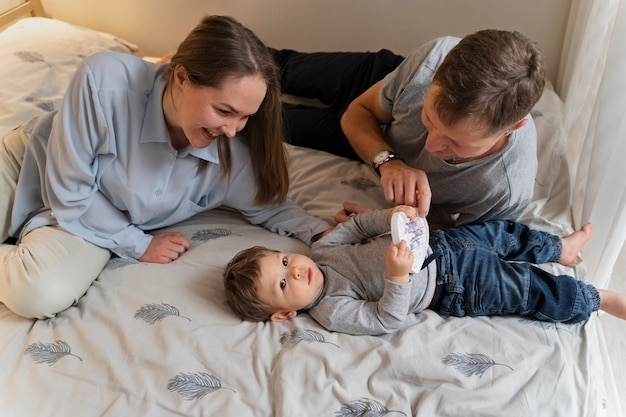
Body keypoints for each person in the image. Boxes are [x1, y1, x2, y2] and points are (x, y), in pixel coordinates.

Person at [0, 15, 331, 319]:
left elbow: (268, 207)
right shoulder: (104, 80)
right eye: (225, 111)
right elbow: (70, 189)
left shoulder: (233, 150)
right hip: (28, 164)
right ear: (182, 77)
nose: (232, 129)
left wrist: (322, 232)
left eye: (246, 116)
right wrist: (139, 243)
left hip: (96, 221)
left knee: (39, 294)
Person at [272, 29, 546, 228]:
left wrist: (383, 224)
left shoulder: (506, 189)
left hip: (364, 146)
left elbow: (462, 239)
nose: (430, 146)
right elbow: (358, 111)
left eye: (455, 143)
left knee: (269, 120)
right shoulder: (431, 62)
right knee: (276, 67)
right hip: (377, 96)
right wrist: (389, 162)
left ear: (512, 128)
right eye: (428, 118)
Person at [224, 205, 626, 336]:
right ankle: (598, 299)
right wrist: (397, 277)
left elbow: (360, 226)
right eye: (281, 283)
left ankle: (560, 247)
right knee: (525, 288)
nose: (294, 271)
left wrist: (391, 215)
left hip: (444, 243)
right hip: (455, 285)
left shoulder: (322, 249)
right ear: (284, 314)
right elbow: (386, 319)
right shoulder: (330, 310)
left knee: (501, 233)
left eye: (283, 261)